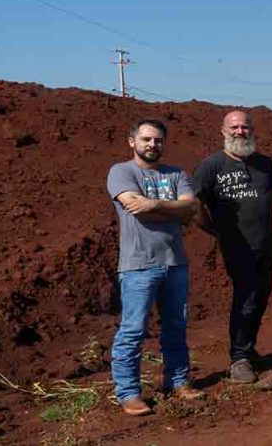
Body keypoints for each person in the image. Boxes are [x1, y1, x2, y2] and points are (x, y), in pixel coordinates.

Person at [106, 119, 203, 416]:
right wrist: (173, 210)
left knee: (176, 326)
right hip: (138, 265)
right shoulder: (121, 172)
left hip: (175, 263)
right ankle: (129, 393)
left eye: (158, 140)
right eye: (146, 139)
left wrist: (152, 205)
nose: (152, 145)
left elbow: (192, 207)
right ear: (132, 141)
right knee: (133, 330)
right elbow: (134, 207)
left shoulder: (176, 174)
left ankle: (178, 381)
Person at [192, 111, 272, 384]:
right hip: (236, 245)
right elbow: (195, 205)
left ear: (252, 130)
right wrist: (217, 230)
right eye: (234, 127)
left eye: (245, 127)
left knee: (261, 296)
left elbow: (271, 199)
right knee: (246, 298)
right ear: (223, 131)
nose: (240, 131)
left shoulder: (265, 164)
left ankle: (248, 348)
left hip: (265, 242)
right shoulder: (211, 166)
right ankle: (238, 359)